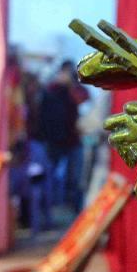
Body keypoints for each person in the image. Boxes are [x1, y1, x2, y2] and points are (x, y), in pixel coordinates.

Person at [37, 61, 89, 214]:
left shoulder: (77, 90)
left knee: (75, 179)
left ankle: (72, 209)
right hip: (54, 142)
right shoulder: (51, 90)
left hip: (73, 141)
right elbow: (43, 115)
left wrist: (73, 85)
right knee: (51, 177)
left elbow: (84, 102)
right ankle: (50, 210)